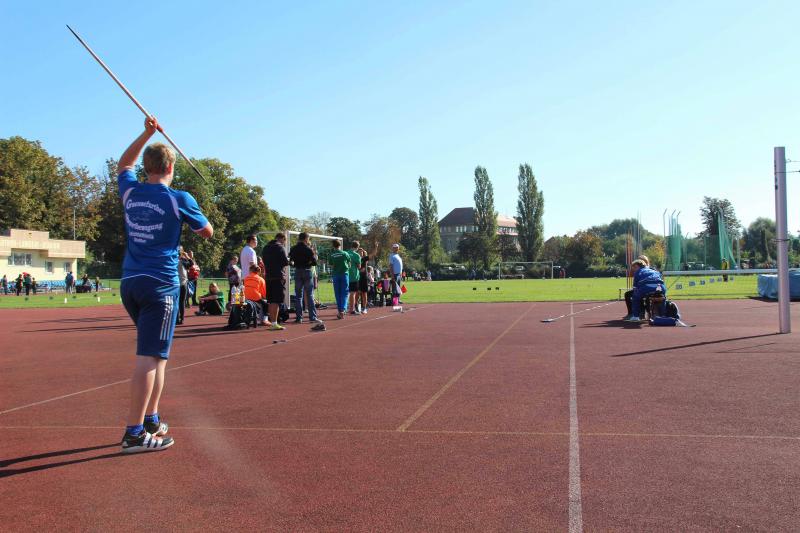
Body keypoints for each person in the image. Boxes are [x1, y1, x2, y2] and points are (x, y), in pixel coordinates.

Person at [117, 116, 213, 453]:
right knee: (149, 357)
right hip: (160, 284)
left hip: (131, 281)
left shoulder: (131, 190)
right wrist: (194, 211)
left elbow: (123, 164)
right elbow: (207, 231)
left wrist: (145, 133)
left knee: (158, 356)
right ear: (170, 166)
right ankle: (133, 433)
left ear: (147, 167)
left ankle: (151, 418)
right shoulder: (178, 197)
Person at [261, 233, 289, 330]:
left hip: (268, 277)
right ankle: (274, 323)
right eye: (285, 241)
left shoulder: (265, 248)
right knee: (276, 301)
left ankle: (273, 322)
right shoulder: (280, 247)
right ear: (282, 239)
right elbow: (285, 262)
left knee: (271, 301)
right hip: (278, 277)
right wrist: (290, 261)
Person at [288, 232, 318, 323]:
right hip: (307, 271)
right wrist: (308, 262)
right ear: (306, 239)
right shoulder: (308, 249)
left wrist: (296, 264)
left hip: (298, 271)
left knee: (298, 296)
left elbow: (290, 261)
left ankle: (299, 317)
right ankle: (312, 317)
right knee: (309, 295)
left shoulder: (293, 249)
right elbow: (314, 262)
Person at [329, 239, 350, 319]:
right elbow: (349, 263)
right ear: (340, 245)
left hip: (336, 275)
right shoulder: (345, 253)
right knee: (344, 293)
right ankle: (342, 310)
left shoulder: (332, 255)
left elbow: (331, 266)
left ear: (333, 246)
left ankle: (340, 310)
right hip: (344, 274)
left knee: (337, 293)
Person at [346, 241, 362, 314]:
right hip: (354, 276)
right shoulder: (356, 255)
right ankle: (352, 309)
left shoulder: (346, 253)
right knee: (353, 293)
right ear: (357, 247)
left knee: (346, 293)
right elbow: (359, 267)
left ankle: (344, 308)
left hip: (346, 275)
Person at [176, 248, 189, 325]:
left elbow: (190, 265)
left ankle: (180, 318)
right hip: (178, 283)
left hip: (181, 283)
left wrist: (187, 257)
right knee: (179, 302)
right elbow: (191, 264)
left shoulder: (182, 260)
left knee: (180, 302)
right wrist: (187, 257)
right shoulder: (177, 260)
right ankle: (178, 319)